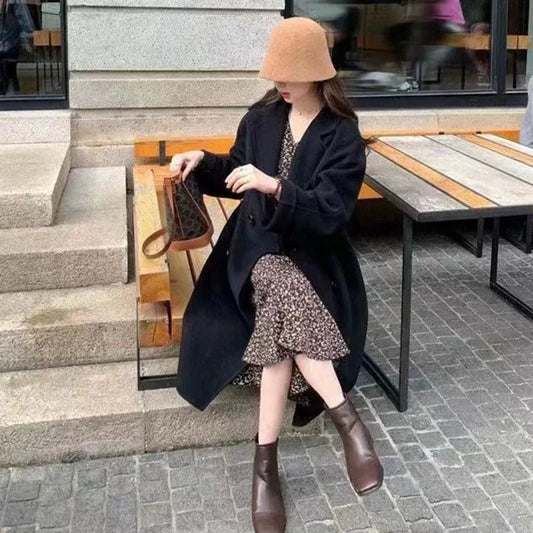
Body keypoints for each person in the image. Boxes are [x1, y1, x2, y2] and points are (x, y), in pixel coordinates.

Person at [170, 17, 383, 532]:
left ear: (317, 72)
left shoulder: (341, 134)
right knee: (275, 279)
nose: (280, 82)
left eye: (291, 73)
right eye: (276, 73)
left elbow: (332, 212)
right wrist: (202, 160)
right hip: (253, 251)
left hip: (318, 261)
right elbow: (236, 170)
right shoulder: (262, 117)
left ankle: (264, 468)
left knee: (280, 314)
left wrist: (278, 188)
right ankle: (349, 423)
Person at [0, 0, 35, 95]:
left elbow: (27, 27)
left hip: (9, 46)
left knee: (8, 75)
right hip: (9, 45)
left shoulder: (15, 2)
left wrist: (26, 42)